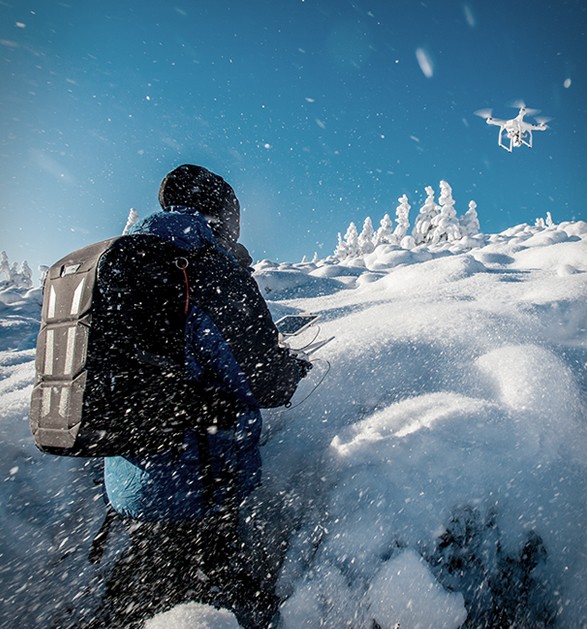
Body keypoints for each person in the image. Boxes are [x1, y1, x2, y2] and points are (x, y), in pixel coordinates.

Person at [89, 165, 308, 628]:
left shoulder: (126, 261)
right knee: (202, 605)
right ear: (223, 213)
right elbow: (265, 379)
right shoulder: (208, 266)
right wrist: (295, 369)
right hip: (198, 483)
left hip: (132, 478)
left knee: (144, 593)